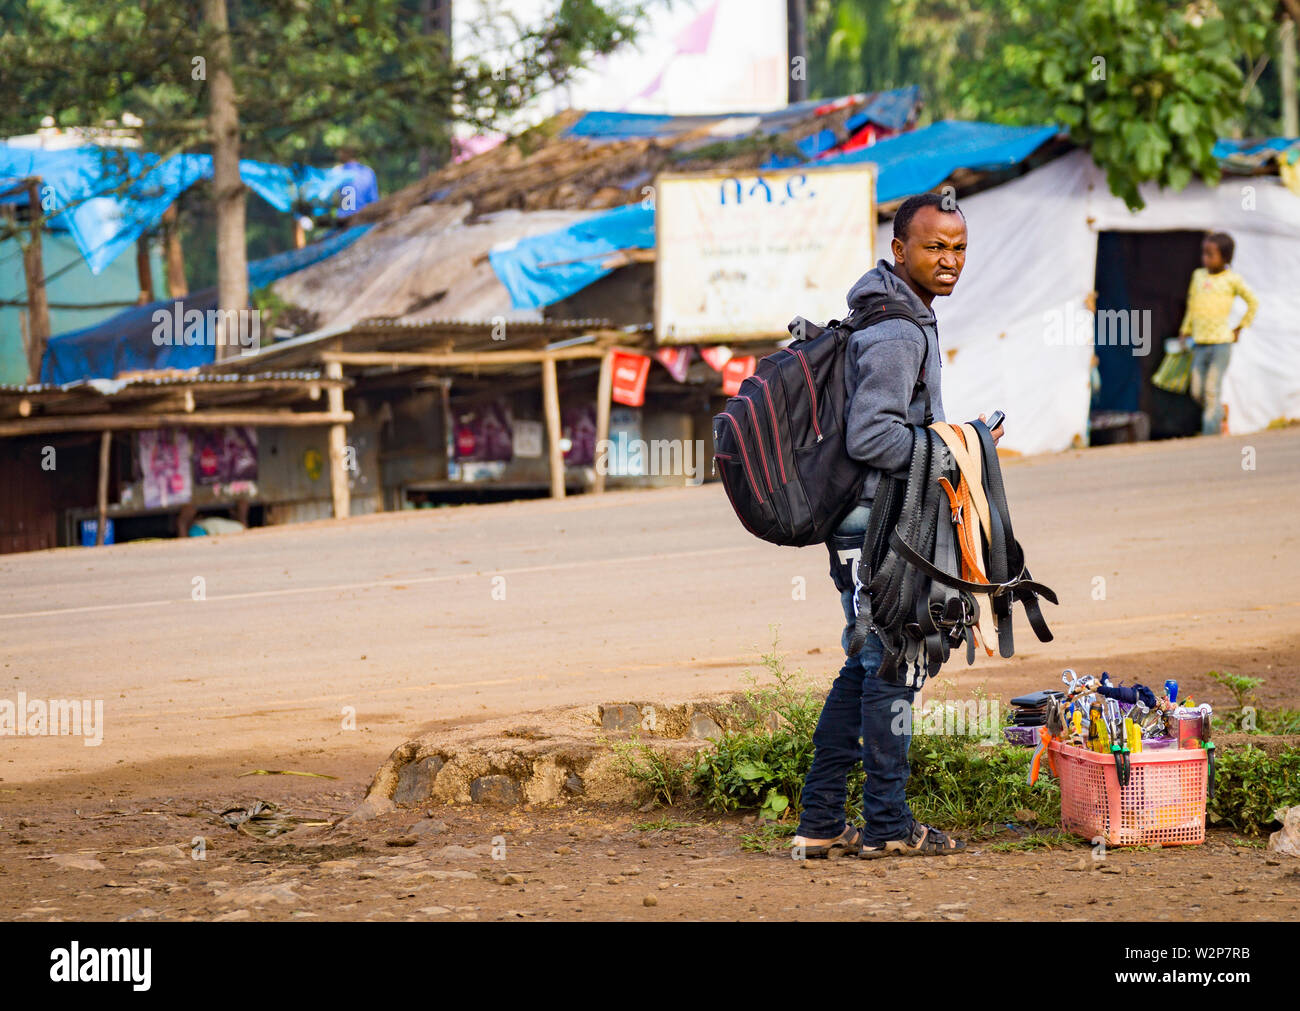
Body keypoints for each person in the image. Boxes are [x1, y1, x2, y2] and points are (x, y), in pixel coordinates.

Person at [791, 192, 1003, 860]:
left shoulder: (896, 312)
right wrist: (960, 443)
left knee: (868, 662)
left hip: (875, 518)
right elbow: (872, 434)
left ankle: (823, 819)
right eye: (935, 246)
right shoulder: (898, 329)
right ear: (899, 250)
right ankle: (886, 824)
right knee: (894, 664)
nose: (949, 260)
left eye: (959, 247)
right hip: (876, 525)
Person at [1177, 232, 1258, 435]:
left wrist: (1241, 327)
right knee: (1197, 390)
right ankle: (1219, 413)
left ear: (1225, 257)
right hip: (1200, 342)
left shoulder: (1232, 280)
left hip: (1221, 342)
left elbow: (1253, 302)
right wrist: (1185, 329)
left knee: (1212, 389)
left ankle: (1209, 436)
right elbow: (1193, 305)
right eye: (1204, 254)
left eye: (1210, 254)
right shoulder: (1198, 276)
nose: (1205, 259)